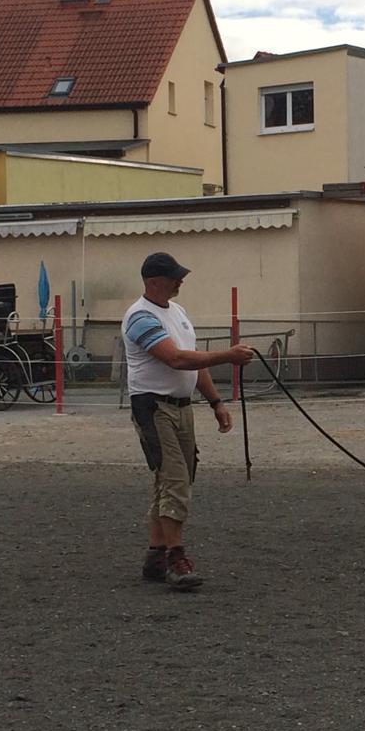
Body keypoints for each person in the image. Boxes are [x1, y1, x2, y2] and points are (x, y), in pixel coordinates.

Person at [122, 252, 254, 590]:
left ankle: (156, 553)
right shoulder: (139, 317)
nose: (180, 281)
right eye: (173, 277)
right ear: (153, 282)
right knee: (175, 480)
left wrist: (215, 401)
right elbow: (176, 359)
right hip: (153, 406)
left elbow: (193, 363)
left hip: (181, 406)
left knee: (171, 479)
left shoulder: (177, 313)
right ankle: (175, 557)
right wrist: (229, 355)